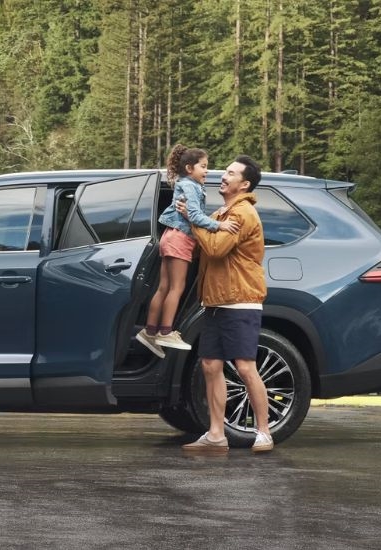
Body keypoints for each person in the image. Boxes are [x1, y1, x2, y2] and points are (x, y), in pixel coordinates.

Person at [178, 155, 274, 453]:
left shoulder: (242, 214)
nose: (223, 176)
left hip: (240, 301)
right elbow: (205, 249)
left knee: (245, 367)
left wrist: (193, 219)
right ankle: (216, 434)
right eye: (225, 172)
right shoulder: (223, 213)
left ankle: (264, 432)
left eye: (231, 174)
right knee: (210, 365)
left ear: (244, 184)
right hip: (217, 302)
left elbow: (217, 248)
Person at [135, 144, 239, 357]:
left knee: (164, 287)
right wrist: (220, 225)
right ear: (190, 168)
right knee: (177, 287)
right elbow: (195, 215)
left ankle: (150, 331)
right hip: (181, 238)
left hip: (170, 236)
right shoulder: (191, 186)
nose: (207, 171)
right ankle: (166, 332)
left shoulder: (184, 183)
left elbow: (191, 214)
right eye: (204, 166)